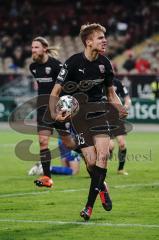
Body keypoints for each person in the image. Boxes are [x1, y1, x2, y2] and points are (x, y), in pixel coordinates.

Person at [49, 23, 128, 221]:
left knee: (102, 158)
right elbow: (55, 92)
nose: (105, 40)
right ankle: (103, 188)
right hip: (79, 117)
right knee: (92, 165)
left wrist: (119, 107)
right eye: (100, 37)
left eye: (105, 37)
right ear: (88, 41)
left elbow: (111, 94)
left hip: (100, 113)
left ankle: (88, 207)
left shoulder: (105, 64)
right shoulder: (73, 63)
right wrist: (55, 112)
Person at [29, 36, 76, 188]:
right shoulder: (33, 67)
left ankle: (90, 155)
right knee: (43, 142)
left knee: (69, 144)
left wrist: (66, 106)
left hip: (58, 109)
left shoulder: (56, 66)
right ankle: (47, 178)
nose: (33, 50)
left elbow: (68, 86)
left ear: (44, 48)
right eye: (32, 48)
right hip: (43, 109)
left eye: (36, 47)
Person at [109, 78, 132, 175]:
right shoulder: (99, 81)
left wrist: (125, 107)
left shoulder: (117, 83)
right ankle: (103, 163)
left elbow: (127, 99)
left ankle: (120, 169)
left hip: (117, 118)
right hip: (103, 118)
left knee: (122, 144)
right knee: (110, 146)